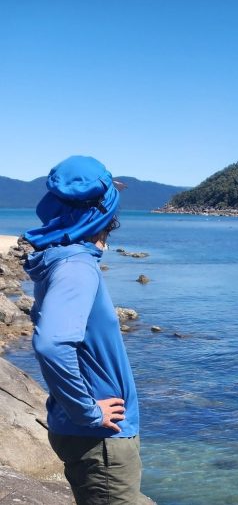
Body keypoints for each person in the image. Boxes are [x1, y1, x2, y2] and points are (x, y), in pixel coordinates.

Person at [23, 155, 146, 505]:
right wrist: (88, 412)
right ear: (105, 213)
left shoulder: (62, 256)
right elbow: (51, 344)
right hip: (100, 439)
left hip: (86, 434)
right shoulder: (77, 266)